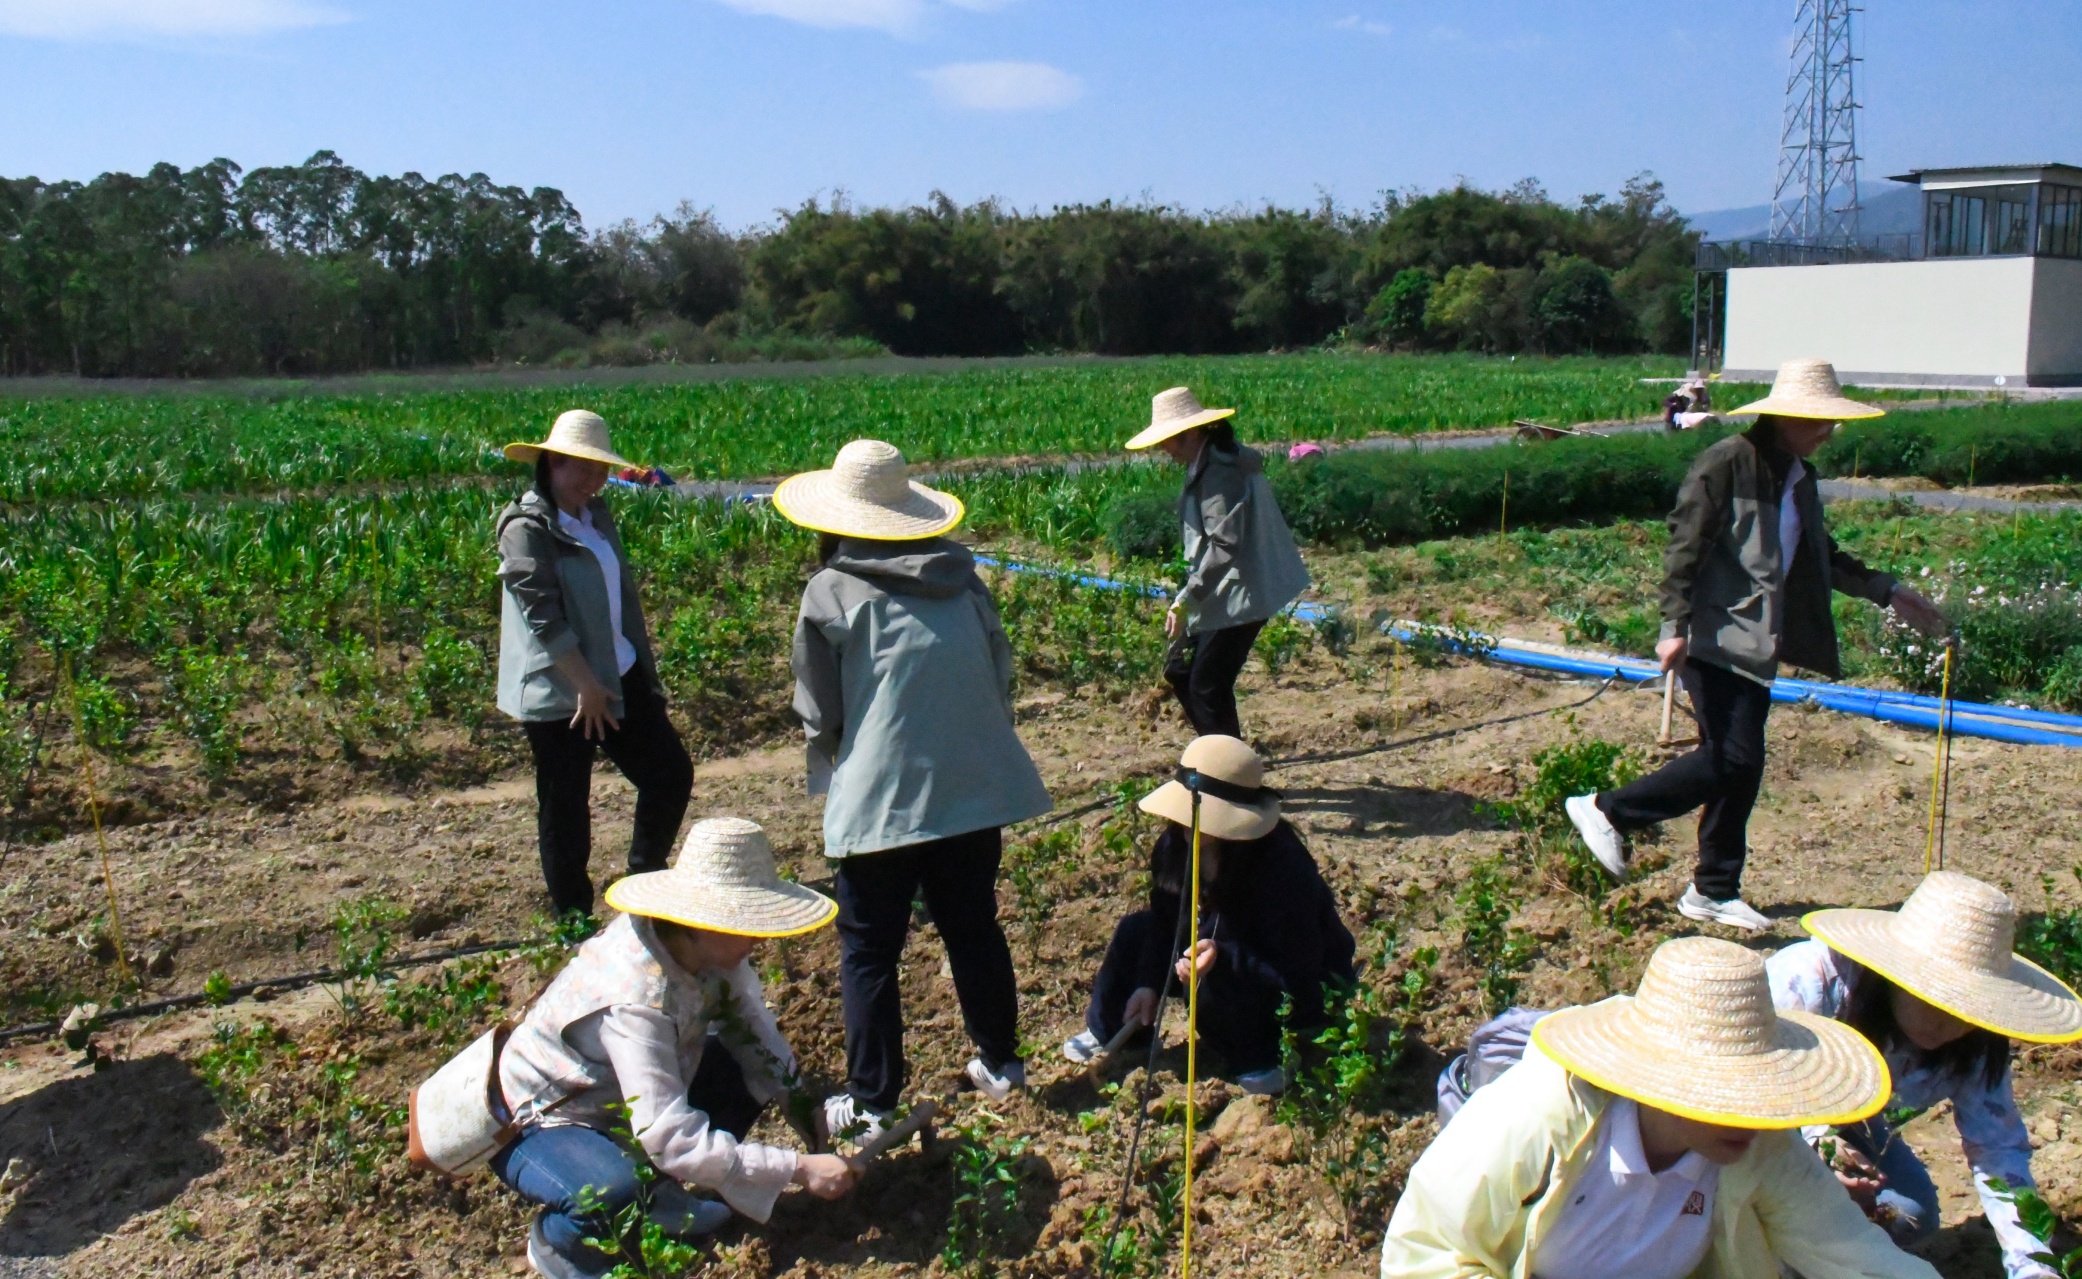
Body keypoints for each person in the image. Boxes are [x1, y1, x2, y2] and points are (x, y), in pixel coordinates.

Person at [1565, 359, 1949, 930]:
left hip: (1757, 641)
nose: (1829, 431)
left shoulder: (1798, 478)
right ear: (1784, 415)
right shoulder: (1726, 464)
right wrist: (1673, 627)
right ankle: (1608, 810)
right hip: (1714, 635)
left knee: (1742, 767)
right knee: (1732, 757)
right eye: (1819, 420)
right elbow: (1684, 547)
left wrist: (1888, 592)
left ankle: (1713, 889)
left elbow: (1822, 553)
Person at [776, 439, 1054, 1142]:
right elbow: (997, 673)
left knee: (870, 946)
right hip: (970, 785)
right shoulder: (963, 578)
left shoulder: (830, 590)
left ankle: (872, 1101)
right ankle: (1001, 1063)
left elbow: (819, 708)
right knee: (971, 922)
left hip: (883, 795)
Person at [1381, 935, 1940, 1279]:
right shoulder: (1538, 1117)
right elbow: (1425, 1252)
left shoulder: (1758, 1149)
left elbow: (1852, 1253)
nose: (1752, 1116)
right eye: (1728, 1097)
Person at [492, 818, 859, 1279]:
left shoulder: (706, 953)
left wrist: (807, 1114)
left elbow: (757, 1037)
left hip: (619, 1100)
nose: (759, 939)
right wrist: (798, 1168)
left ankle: (659, 1195)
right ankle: (560, 1243)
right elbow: (667, 1135)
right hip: (544, 1118)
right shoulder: (633, 996)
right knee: (610, 1191)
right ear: (699, 922)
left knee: (741, 1072)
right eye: (746, 926)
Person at [1771, 871, 2082, 1279]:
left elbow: (1998, 1149)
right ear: (1891, 975)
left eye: (1966, 1010)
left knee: (1907, 1212)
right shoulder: (1805, 986)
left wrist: (2033, 1265)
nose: (1945, 1024)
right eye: (1932, 998)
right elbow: (1737, 1091)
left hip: (1845, 1124)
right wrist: (1812, 1147)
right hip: (1754, 1124)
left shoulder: (1976, 1045)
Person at [1060, 735, 1356, 1094]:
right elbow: (1165, 923)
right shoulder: (1175, 847)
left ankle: (1263, 1057)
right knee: (1135, 932)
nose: (1187, 824)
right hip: (1212, 948)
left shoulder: (1281, 868)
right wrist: (1147, 982)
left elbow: (1297, 963)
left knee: (1212, 980)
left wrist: (1227, 957)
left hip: (1290, 979)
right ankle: (1120, 1030)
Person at [498, 410, 694, 920]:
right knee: (565, 805)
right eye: (580, 468)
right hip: (562, 688)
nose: (591, 480)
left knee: (669, 774)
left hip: (616, 670)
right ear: (552, 464)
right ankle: (573, 917)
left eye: (599, 469)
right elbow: (541, 615)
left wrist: (624, 675)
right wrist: (584, 684)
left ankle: (642, 883)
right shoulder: (526, 528)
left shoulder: (596, 515)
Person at [1125, 386, 1311, 739]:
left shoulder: (1218, 473)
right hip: (1222, 585)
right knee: (1180, 671)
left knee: (1209, 685)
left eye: (1167, 439)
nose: (1162, 448)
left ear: (1192, 433)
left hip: (1242, 590)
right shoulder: (1210, 460)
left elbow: (1226, 544)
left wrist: (1188, 597)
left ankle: (1231, 776)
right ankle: (1217, 758)